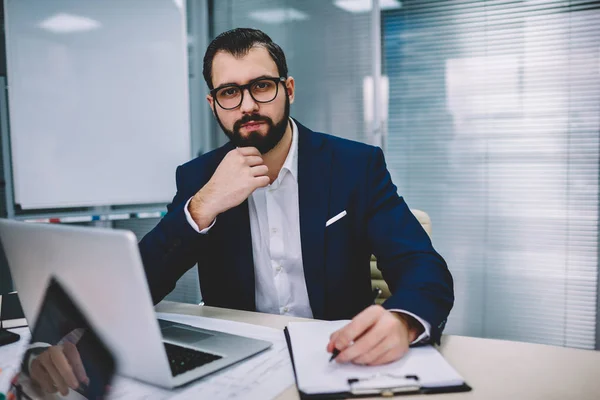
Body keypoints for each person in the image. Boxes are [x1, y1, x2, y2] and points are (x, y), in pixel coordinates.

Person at [140, 28, 454, 366]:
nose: (247, 105)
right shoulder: (198, 177)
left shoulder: (354, 166)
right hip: (241, 360)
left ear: (288, 89)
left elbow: (422, 266)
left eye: (261, 86)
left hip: (338, 353)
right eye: (229, 92)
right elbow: (141, 286)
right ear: (213, 104)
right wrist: (204, 205)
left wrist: (403, 321)